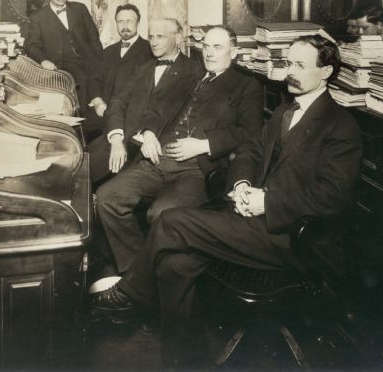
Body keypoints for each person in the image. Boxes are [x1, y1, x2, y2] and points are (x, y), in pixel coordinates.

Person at [92, 34, 363, 366]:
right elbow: (250, 151)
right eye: (287, 62)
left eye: (300, 65)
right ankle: (183, 361)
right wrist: (242, 183)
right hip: (253, 221)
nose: (289, 71)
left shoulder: (341, 126)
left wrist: (268, 201)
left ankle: (128, 295)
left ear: (326, 72)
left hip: (292, 237)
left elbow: (332, 197)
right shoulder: (282, 111)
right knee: (173, 264)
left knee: (172, 220)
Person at [95, 25, 264, 276]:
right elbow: (155, 109)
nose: (209, 53)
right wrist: (150, 133)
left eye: (217, 47)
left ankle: (147, 279)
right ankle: (137, 274)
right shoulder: (189, 75)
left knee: (161, 213)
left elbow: (250, 132)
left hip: (196, 170)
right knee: (107, 197)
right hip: (157, 159)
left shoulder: (246, 86)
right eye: (206, 46)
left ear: (234, 51)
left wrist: (203, 145)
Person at [24, 0, 104, 139]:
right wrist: (43, 60)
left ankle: (101, 134)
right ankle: (80, 137)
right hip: (62, 66)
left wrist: (99, 60)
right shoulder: (38, 17)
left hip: (89, 61)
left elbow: (94, 38)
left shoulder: (79, 9)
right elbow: (30, 45)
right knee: (79, 84)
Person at [87, 4, 154, 184]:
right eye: (120, 21)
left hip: (127, 119)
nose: (124, 25)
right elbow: (93, 79)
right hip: (101, 114)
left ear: (138, 23)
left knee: (95, 160)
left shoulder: (150, 51)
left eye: (129, 21)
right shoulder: (108, 51)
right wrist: (97, 100)